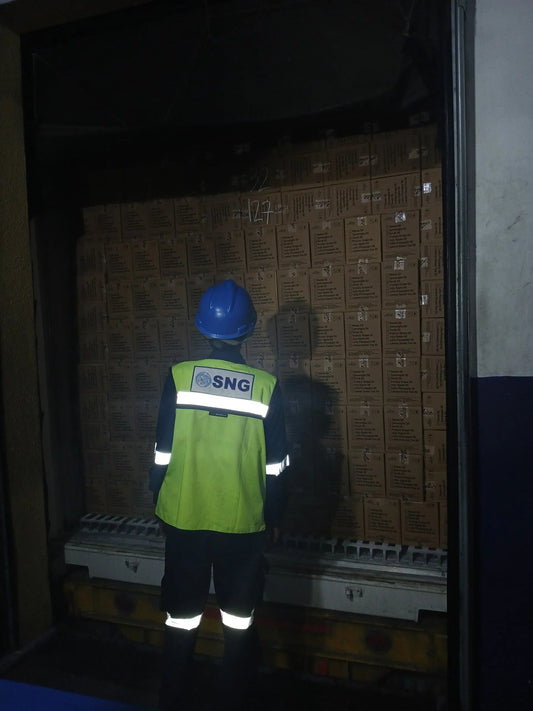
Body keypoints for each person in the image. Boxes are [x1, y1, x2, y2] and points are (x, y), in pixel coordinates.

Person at [149, 279, 290, 711]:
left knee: (181, 619)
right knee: (238, 621)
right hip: (241, 524)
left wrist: (159, 504)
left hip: (184, 520)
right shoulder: (265, 386)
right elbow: (277, 465)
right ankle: (233, 699)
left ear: (203, 328)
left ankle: (173, 699)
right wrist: (275, 516)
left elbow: (161, 453)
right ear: (247, 332)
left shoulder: (179, 377)